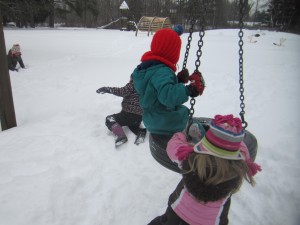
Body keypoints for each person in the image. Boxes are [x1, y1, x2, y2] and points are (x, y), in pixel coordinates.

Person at [148, 114, 262, 225]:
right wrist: (234, 139)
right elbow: (244, 154)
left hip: (178, 214)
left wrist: (181, 134)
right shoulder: (237, 171)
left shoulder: (191, 161)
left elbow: (173, 147)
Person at [132, 25, 205, 151]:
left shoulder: (148, 68)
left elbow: (157, 89)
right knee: (195, 126)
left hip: (152, 118)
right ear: (172, 52)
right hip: (164, 119)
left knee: (183, 113)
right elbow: (167, 96)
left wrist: (178, 80)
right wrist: (189, 90)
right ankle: (203, 148)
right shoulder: (163, 71)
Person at [96, 75, 147, 147]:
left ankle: (120, 136)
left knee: (110, 119)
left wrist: (106, 89)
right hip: (139, 117)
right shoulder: (145, 89)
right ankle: (140, 132)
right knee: (132, 124)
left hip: (128, 114)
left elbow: (121, 92)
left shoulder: (132, 85)